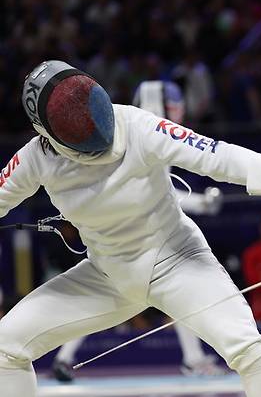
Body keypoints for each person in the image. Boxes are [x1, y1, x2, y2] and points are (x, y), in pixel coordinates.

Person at [0, 60, 261, 397]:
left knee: (248, 350)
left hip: (177, 259)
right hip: (108, 275)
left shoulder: (138, 125)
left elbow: (216, 155)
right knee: (6, 347)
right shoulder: (35, 158)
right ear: (47, 133)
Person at [50, 80, 225, 382]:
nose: (178, 112)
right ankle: (193, 360)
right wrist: (202, 204)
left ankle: (64, 358)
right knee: (174, 288)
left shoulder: (129, 133)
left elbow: (158, 192)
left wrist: (199, 203)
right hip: (135, 236)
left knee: (152, 295)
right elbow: (162, 195)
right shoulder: (145, 135)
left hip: (124, 232)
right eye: (174, 107)